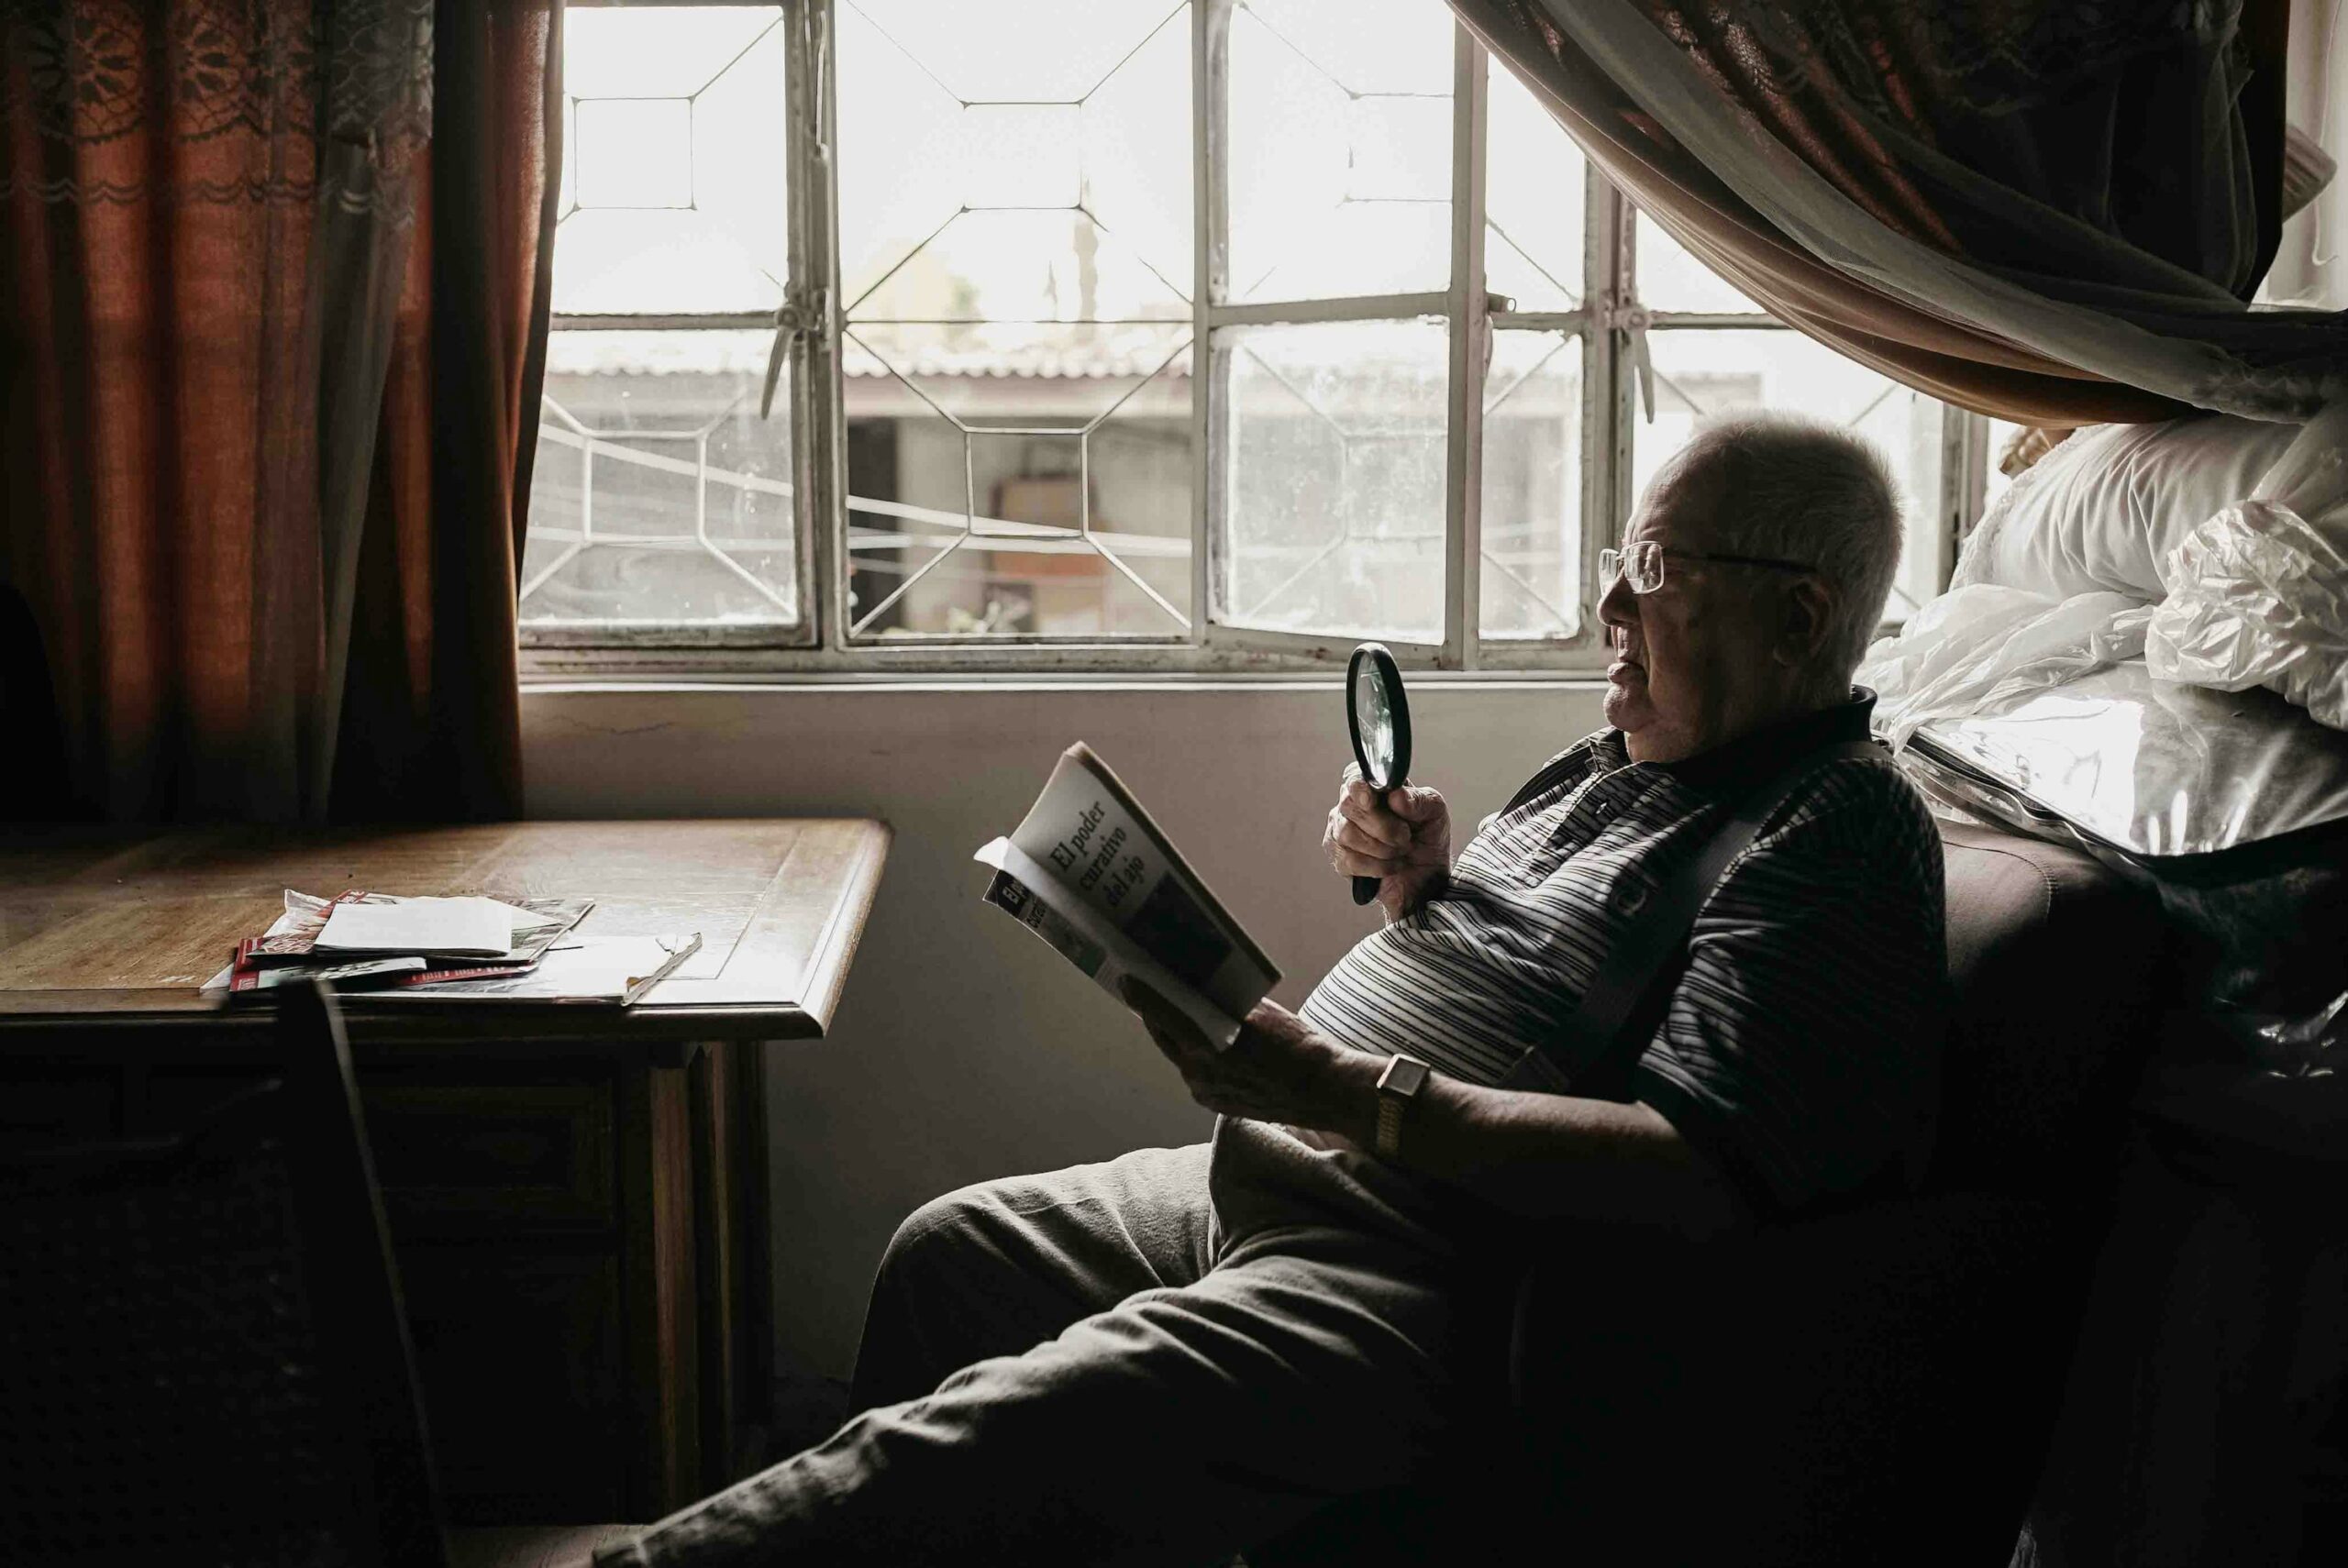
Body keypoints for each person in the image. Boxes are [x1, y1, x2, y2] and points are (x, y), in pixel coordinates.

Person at [595, 413, 1949, 1566]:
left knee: (965, 1447)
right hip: (1286, 1166)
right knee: (949, 1256)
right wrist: (1424, 881)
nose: (1608, 608)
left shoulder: (1835, 828)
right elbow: (1550, 983)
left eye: (1653, 570)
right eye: (1618, 562)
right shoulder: (1626, 754)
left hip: (1434, 1269)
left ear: (1799, 614)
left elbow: (1697, 1172)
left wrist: (1335, 1087)